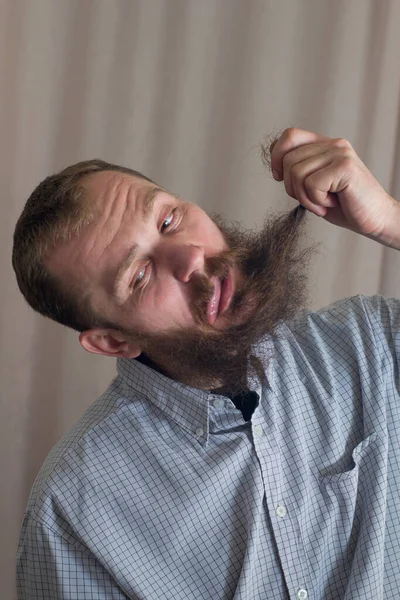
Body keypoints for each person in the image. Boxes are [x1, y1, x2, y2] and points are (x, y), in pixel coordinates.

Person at [13, 128, 400, 599]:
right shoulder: (72, 511)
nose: (191, 258)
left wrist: (389, 222)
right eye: (138, 275)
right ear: (114, 341)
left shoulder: (370, 342)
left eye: (170, 220)